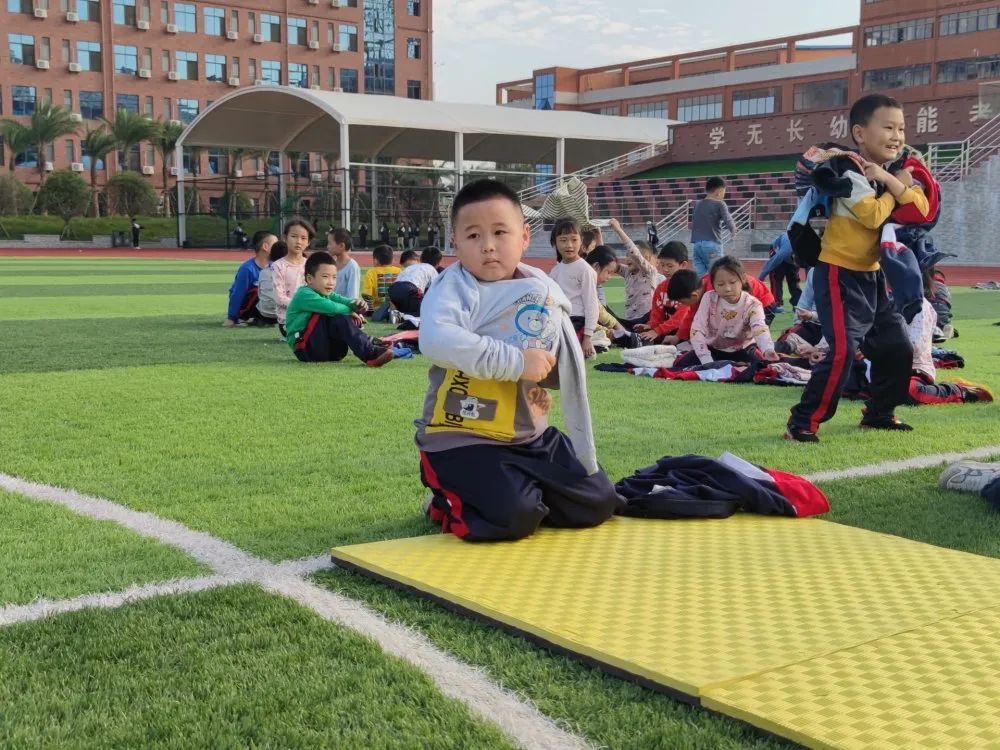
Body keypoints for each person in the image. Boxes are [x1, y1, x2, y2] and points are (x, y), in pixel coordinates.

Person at [416, 178, 622, 542]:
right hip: (463, 437)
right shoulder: (454, 287)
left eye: (500, 232)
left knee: (599, 502)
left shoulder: (541, 288)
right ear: (456, 241)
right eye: (474, 236)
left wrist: (545, 376)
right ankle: (446, 500)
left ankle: (514, 485)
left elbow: (553, 359)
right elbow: (435, 340)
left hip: (529, 434)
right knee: (513, 518)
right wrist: (516, 363)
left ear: (525, 236)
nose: (489, 246)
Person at [787, 94, 926, 442]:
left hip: (872, 275)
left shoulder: (888, 172)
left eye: (902, 128)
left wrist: (892, 180)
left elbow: (921, 208)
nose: (897, 135)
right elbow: (872, 214)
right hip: (837, 274)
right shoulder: (845, 167)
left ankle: (879, 414)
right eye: (888, 127)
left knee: (897, 346)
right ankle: (802, 422)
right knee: (844, 351)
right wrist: (898, 188)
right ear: (860, 133)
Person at [285, 251, 401, 368]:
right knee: (334, 313)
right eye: (325, 277)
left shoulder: (326, 293)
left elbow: (344, 301)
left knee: (337, 313)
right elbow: (333, 307)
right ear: (310, 279)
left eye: (334, 277)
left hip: (333, 352)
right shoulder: (305, 294)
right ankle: (369, 352)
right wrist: (351, 311)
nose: (331, 282)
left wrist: (357, 304)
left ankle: (369, 344)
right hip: (306, 349)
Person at [676, 256, 778, 367]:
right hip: (713, 349)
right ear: (713, 284)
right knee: (681, 364)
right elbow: (697, 328)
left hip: (742, 350)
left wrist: (768, 349)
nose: (727, 288)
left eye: (732, 282)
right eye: (720, 284)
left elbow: (760, 328)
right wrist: (706, 359)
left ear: (743, 279)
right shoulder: (708, 298)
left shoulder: (753, 304)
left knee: (760, 367)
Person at [549, 218, 599, 358]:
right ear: (555, 242)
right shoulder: (555, 271)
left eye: (574, 240)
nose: (569, 245)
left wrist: (588, 337)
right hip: (558, 320)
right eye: (563, 240)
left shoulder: (584, 269)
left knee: (567, 357)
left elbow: (591, 303)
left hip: (577, 320)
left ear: (581, 240)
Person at [609, 218, 662, 331]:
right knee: (606, 313)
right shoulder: (627, 272)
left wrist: (618, 230)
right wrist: (598, 234)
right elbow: (608, 263)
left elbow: (634, 252)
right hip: (630, 319)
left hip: (647, 319)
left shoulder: (650, 272)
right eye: (627, 255)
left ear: (646, 258)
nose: (628, 258)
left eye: (631, 255)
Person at [637, 241, 690, 343]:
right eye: (662, 265)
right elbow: (657, 314)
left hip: (688, 334)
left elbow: (680, 318)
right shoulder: (661, 288)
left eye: (670, 266)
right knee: (640, 336)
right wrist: (651, 326)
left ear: (683, 265)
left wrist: (657, 331)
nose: (665, 269)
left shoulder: (689, 287)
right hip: (668, 330)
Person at [272, 217, 314, 337]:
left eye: (303, 238)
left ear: (308, 242)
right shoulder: (278, 266)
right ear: (285, 238)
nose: (299, 241)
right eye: (294, 236)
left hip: (311, 314)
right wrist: (302, 305)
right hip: (288, 320)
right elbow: (279, 298)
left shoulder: (311, 265)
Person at [224, 229, 277, 327]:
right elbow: (237, 294)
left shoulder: (275, 266)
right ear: (265, 247)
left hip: (263, 307)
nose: (278, 247)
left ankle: (265, 318)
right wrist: (231, 318)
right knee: (257, 289)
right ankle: (243, 317)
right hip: (248, 305)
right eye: (275, 244)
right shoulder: (247, 269)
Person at [690, 177, 737, 276]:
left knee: (699, 277)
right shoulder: (720, 204)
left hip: (696, 246)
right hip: (711, 245)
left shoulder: (697, 204)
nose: (724, 196)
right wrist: (733, 230)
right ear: (718, 192)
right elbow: (728, 219)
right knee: (718, 274)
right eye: (724, 192)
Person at [388, 246, 441, 316]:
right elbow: (436, 292)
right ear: (438, 263)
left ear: (421, 259)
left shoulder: (411, 267)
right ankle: (400, 315)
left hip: (393, 289)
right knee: (427, 311)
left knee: (411, 303)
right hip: (410, 289)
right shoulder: (432, 270)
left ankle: (394, 309)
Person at [361, 244, 401, 320]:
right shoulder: (399, 271)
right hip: (396, 306)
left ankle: (387, 311)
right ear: (392, 259)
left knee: (376, 315)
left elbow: (367, 295)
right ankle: (394, 312)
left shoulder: (371, 272)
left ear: (375, 260)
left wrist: (370, 312)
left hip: (379, 308)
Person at [767, 232, 801, 314]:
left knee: (793, 280)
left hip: (791, 254)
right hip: (778, 256)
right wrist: (760, 279)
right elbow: (767, 267)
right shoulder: (779, 252)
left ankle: (797, 305)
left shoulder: (800, 248)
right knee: (776, 279)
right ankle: (778, 304)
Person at [257, 240, 286, 326]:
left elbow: (259, 293)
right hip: (284, 315)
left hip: (264, 314)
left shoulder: (263, 272)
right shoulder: (290, 272)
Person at [327, 227, 361, 300]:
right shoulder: (331, 264)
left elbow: (353, 296)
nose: (327, 246)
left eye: (330, 243)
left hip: (343, 309)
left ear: (341, 246)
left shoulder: (352, 267)